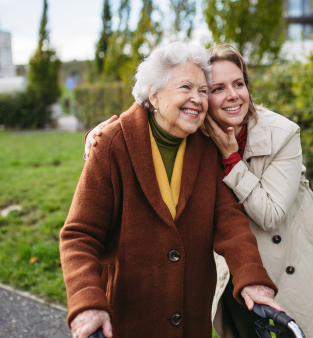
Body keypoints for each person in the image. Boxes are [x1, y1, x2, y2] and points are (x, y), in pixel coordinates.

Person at [85, 45, 313, 338]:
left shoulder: (282, 133)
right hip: (237, 266)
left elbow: (269, 215)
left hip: (294, 262)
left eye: (239, 84)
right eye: (217, 88)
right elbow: (158, 110)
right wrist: (103, 136)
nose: (232, 94)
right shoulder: (197, 132)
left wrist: (232, 160)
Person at [60, 42, 282, 338]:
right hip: (127, 321)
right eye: (186, 88)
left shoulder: (205, 148)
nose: (198, 99)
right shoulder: (112, 145)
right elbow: (80, 235)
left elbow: (230, 221)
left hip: (191, 321)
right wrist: (87, 302)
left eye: (203, 90)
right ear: (154, 93)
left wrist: (252, 278)